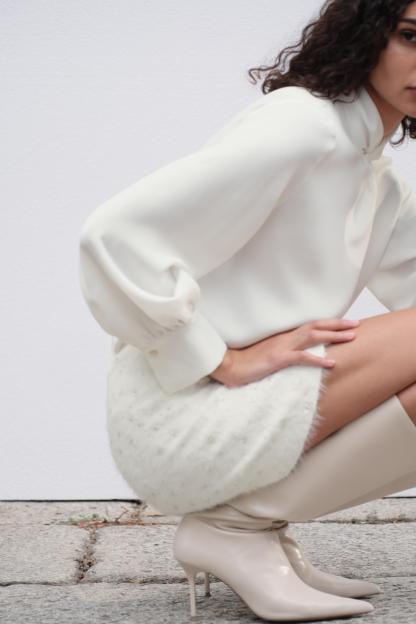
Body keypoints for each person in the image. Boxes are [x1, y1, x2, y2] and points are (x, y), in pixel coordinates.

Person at [78, 0, 416, 620]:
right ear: (367, 35)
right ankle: (230, 528)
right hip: (181, 415)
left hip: (251, 414)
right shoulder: (304, 125)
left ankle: (252, 527)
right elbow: (114, 236)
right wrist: (219, 358)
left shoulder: (376, 174)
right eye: (411, 36)